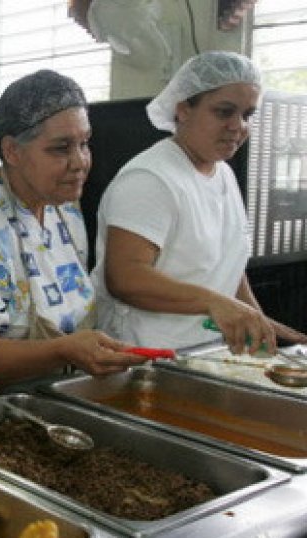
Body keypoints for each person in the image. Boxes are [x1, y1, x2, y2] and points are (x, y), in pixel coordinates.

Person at [0, 70, 146, 385]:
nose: (80, 162)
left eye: (84, 143)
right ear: (12, 151)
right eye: (61, 148)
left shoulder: (63, 209)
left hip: (56, 393)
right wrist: (64, 350)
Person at [93, 51, 307, 354]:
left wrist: (258, 323)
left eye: (246, 115)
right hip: (147, 355)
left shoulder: (223, 174)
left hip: (207, 350)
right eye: (223, 112)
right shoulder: (151, 178)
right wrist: (217, 303)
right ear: (183, 110)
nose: (238, 126)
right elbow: (125, 277)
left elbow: (226, 266)